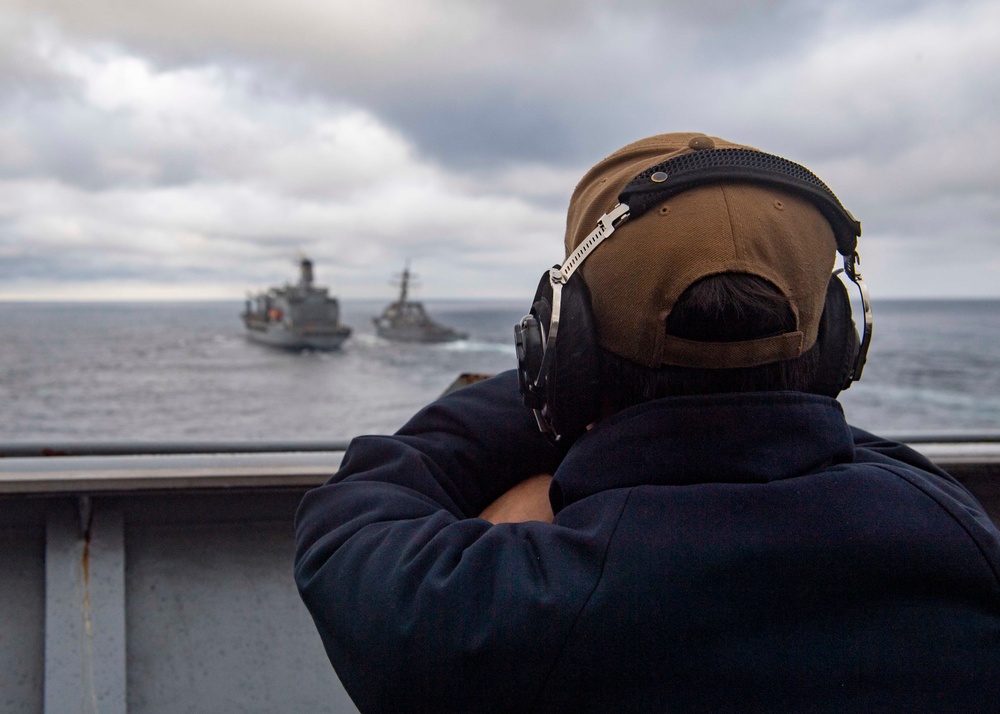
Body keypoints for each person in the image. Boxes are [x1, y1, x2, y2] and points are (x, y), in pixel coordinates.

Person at [294, 133, 1000, 713]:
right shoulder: (956, 535)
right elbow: (844, 447)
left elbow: (354, 513)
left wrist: (553, 388)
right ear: (838, 345)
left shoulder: (493, 613)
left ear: (562, 349)